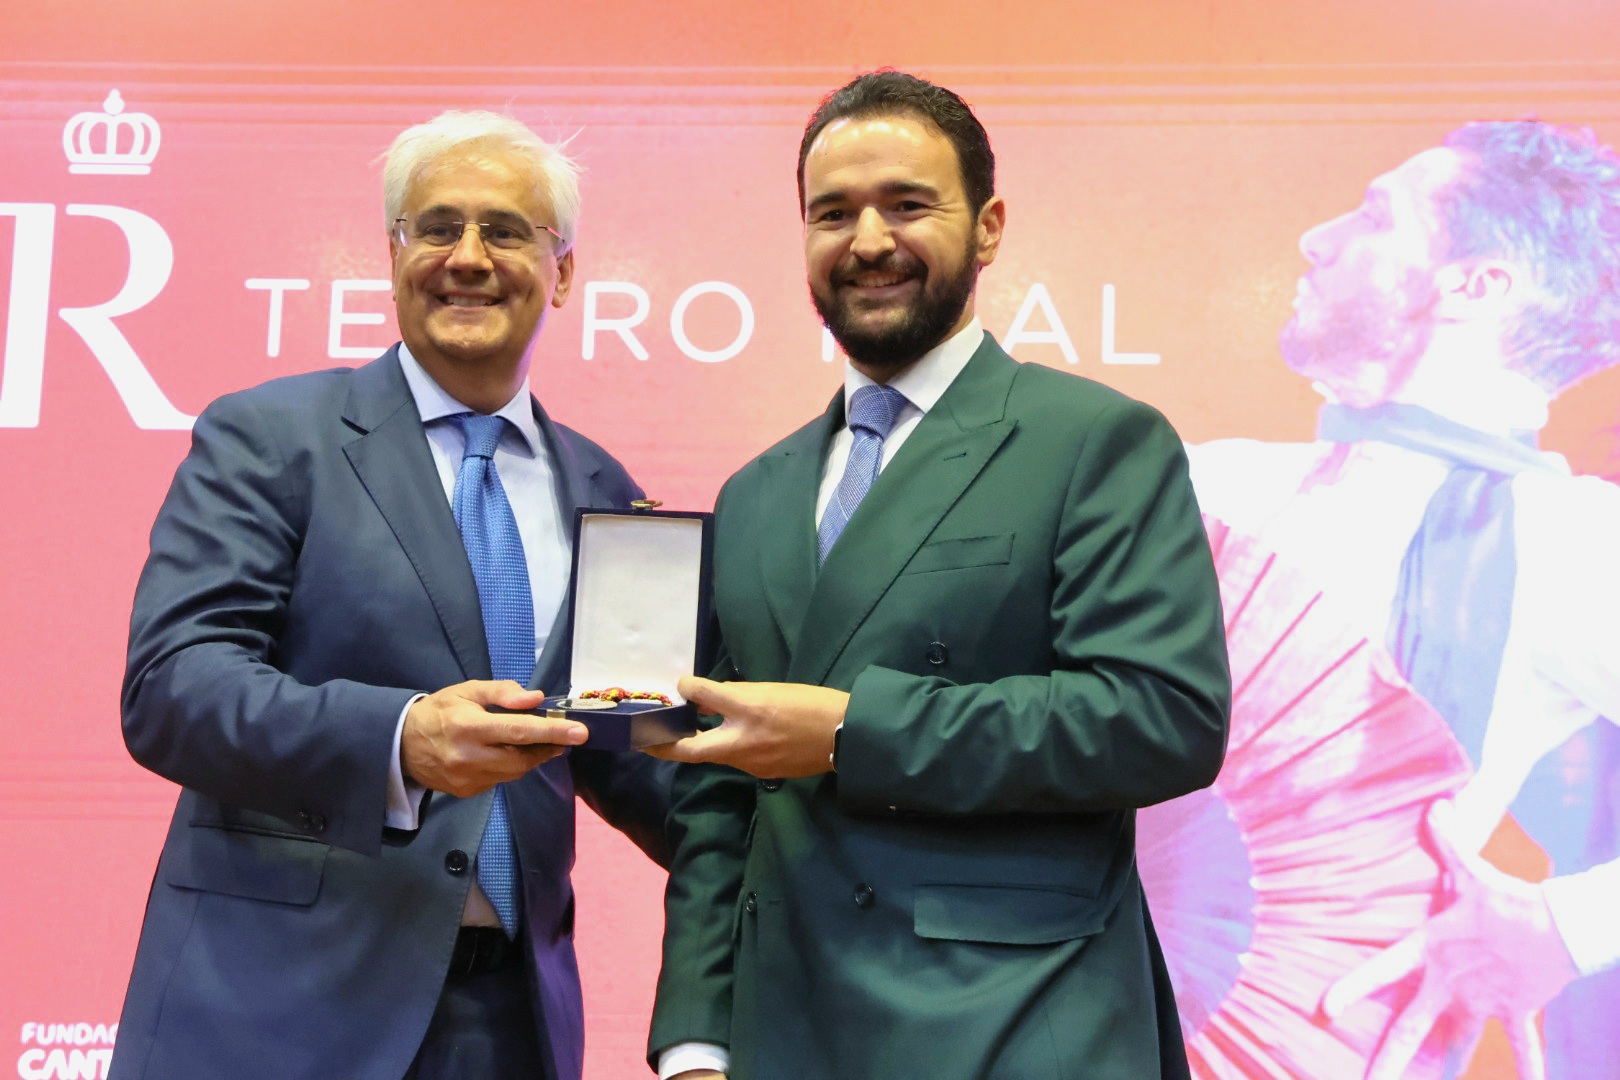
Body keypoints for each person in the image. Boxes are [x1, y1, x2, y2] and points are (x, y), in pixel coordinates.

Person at [647, 70, 1232, 1080]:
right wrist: (696, 1034)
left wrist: (847, 732)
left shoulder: (1095, 440)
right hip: (785, 1032)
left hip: (1021, 1025)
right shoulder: (755, 493)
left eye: (907, 204)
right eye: (833, 213)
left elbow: (1161, 719)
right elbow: (716, 798)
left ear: (990, 225)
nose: (867, 240)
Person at [110, 110, 670, 1080]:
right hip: (273, 1016)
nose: (467, 257)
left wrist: (814, 821)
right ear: (394, 254)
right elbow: (172, 690)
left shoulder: (612, 498)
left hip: (509, 1031)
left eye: (505, 230)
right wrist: (400, 740)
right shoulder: (269, 437)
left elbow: (640, 761)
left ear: (566, 270)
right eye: (435, 228)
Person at [1188, 120, 1620, 1080]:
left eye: (1377, 214)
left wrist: (1565, 926)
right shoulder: (1202, 482)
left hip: (1310, 1047)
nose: (1319, 237)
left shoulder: (1570, 541)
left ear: (1475, 286)